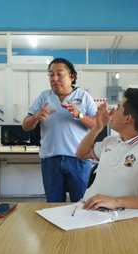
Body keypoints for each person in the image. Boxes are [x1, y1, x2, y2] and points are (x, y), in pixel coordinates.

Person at [76, 88, 138, 210]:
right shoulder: (110, 141)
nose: (112, 111)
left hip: (116, 215)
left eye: (118, 108)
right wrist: (97, 127)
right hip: (87, 208)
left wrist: (116, 202)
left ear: (128, 119)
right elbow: (81, 154)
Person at [22, 58, 97, 202]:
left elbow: (97, 124)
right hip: (51, 160)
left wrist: (79, 115)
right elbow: (25, 126)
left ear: (71, 77)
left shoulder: (83, 96)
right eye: (51, 75)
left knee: (81, 204)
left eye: (59, 74)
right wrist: (36, 117)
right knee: (53, 205)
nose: (54, 79)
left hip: (79, 160)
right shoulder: (44, 97)